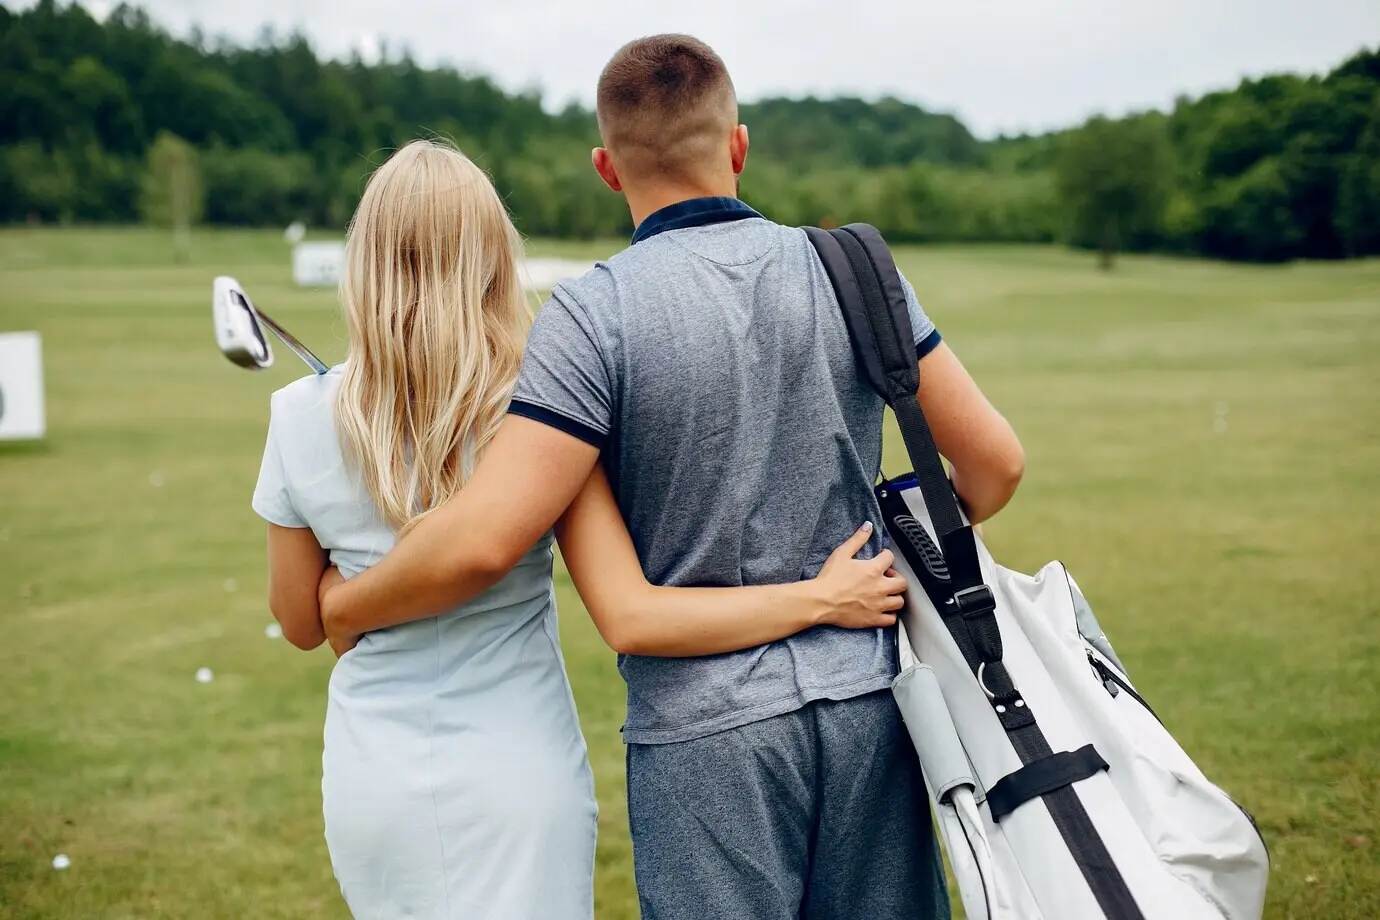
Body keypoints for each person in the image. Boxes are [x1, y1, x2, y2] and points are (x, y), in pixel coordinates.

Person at [320, 35, 1025, 920]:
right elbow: (995, 466)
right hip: (871, 709)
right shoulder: (854, 270)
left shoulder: (590, 313)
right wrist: (887, 548)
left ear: (607, 170)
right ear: (738, 145)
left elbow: (490, 536)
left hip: (704, 737)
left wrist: (343, 606)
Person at [252, 139, 909, 920]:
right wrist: (819, 599)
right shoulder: (537, 408)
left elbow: (299, 621)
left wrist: (345, 600)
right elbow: (624, 607)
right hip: (517, 762)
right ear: (492, 255)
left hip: (374, 774)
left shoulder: (297, 415)